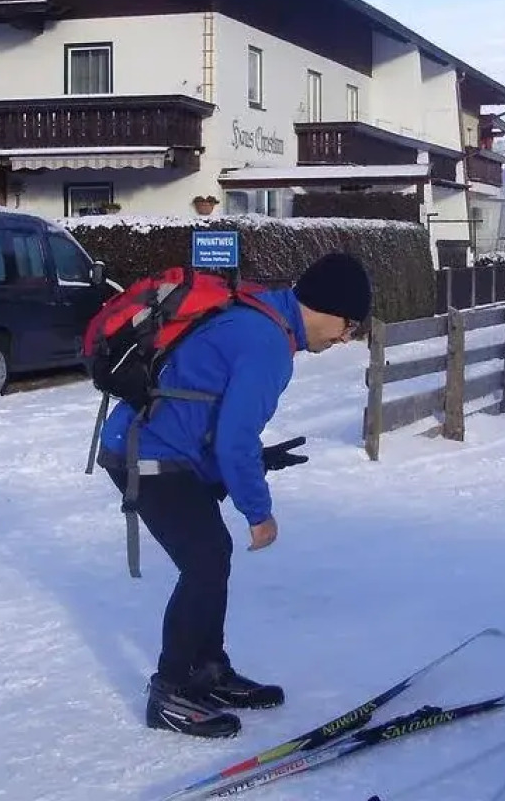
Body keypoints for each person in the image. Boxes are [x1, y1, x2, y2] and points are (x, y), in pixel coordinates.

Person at [95, 251, 373, 739]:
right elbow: (233, 440)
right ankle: (172, 690)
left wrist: (252, 460)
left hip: (157, 444)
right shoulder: (268, 344)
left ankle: (208, 670)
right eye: (348, 325)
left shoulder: (262, 315)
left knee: (211, 556)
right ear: (324, 307)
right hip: (147, 453)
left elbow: (213, 410)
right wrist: (258, 512)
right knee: (205, 561)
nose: (346, 337)